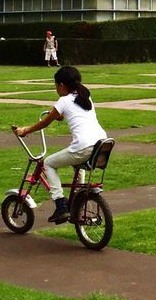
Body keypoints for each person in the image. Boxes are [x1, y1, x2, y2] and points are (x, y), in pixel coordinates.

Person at [12, 66, 107, 224]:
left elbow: (44, 123)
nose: (56, 88)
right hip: (100, 144)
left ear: (61, 85)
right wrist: (60, 115)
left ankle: (60, 204)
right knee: (77, 163)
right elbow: (68, 113)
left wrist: (25, 130)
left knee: (48, 163)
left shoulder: (63, 100)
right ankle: (79, 193)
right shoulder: (85, 96)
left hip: (83, 147)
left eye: (56, 85)